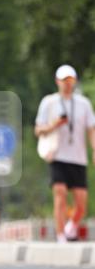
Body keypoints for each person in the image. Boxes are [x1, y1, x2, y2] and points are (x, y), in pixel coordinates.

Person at [34, 64, 95, 242]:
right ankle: (61, 235)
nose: (67, 84)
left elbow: (91, 128)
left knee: (81, 204)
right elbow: (38, 130)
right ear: (57, 82)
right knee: (59, 194)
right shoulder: (49, 102)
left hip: (78, 157)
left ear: (74, 81)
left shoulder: (83, 103)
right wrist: (54, 125)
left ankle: (71, 226)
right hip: (57, 155)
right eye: (64, 80)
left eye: (70, 80)